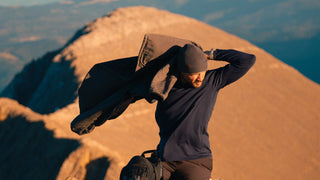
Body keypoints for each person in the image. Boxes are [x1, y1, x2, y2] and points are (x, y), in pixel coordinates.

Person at [155, 44, 256, 180]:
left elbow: (247, 60)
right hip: (165, 159)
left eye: (202, 71)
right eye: (194, 73)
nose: (200, 78)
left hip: (196, 160)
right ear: (182, 71)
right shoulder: (164, 86)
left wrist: (211, 54)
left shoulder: (211, 81)